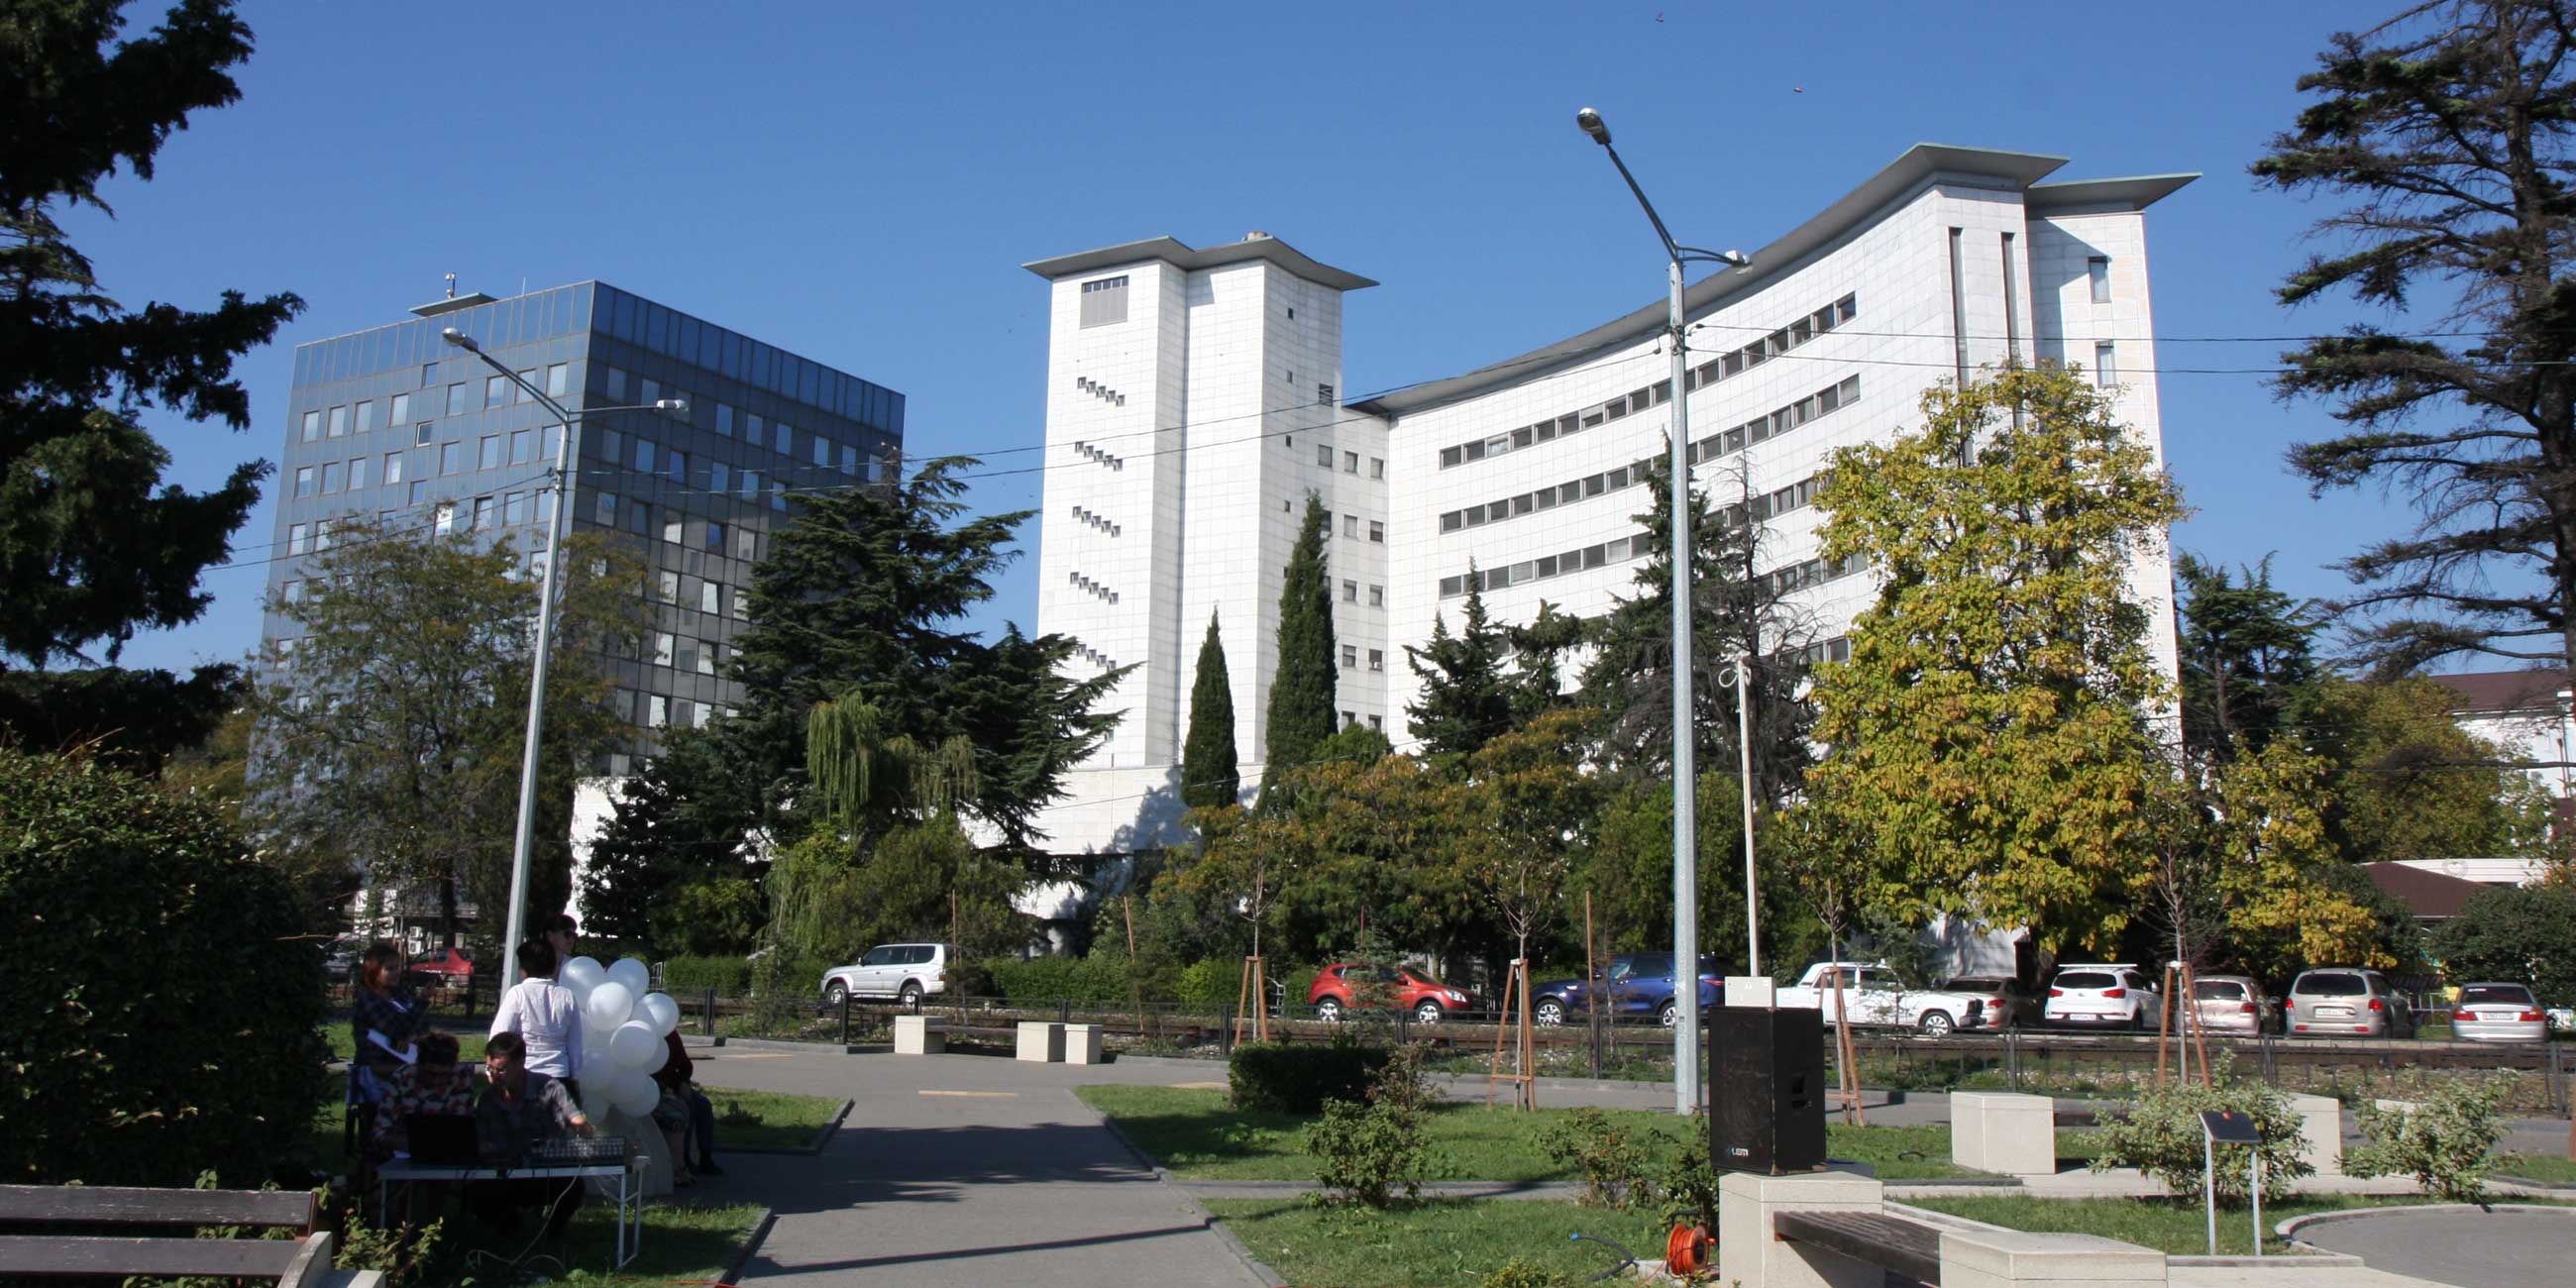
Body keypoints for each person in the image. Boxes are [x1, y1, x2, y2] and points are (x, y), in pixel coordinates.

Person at [470, 1031, 590, 1238]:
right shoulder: (488, 1099)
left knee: (574, 1187)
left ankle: (552, 1234)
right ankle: (508, 1229)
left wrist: (582, 1126)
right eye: (489, 1069)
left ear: (521, 1063)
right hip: (502, 1175)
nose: (494, 1075)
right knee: (476, 1193)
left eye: (501, 1070)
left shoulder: (549, 1087)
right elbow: (480, 1140)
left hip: (544, 1173)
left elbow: (576, 1118)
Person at [489, 937, 583, 1100]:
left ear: (523, 969)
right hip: (560, 1074)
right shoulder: (567, 995)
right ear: (554, 966)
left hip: (525, 1075)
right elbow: (575, 1043)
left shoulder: (518, 993)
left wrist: (493, 1071)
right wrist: (575, 1078)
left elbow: (499, 1036)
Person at [351, 942, 425, 1109]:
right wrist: (421, 1003)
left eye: (397, 967)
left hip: (405, 1064)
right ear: (374, 971)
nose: (396, 972)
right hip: (375, 1069)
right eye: (389, 969)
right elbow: (393, 1028)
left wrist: (411, 1036)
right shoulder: (368, 998)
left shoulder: (399, 994)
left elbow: (422, 1025)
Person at [651, 1029, 723, 1180]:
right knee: (683, 1108)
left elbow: (685, 1065)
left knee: (703, 1104)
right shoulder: (641, 1036)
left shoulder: (670, 1034)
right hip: (651, 1090)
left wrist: (683, 1082)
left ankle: (705, 1157)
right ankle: (685, 1159)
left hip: (673, 1085)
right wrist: (663, 1088)